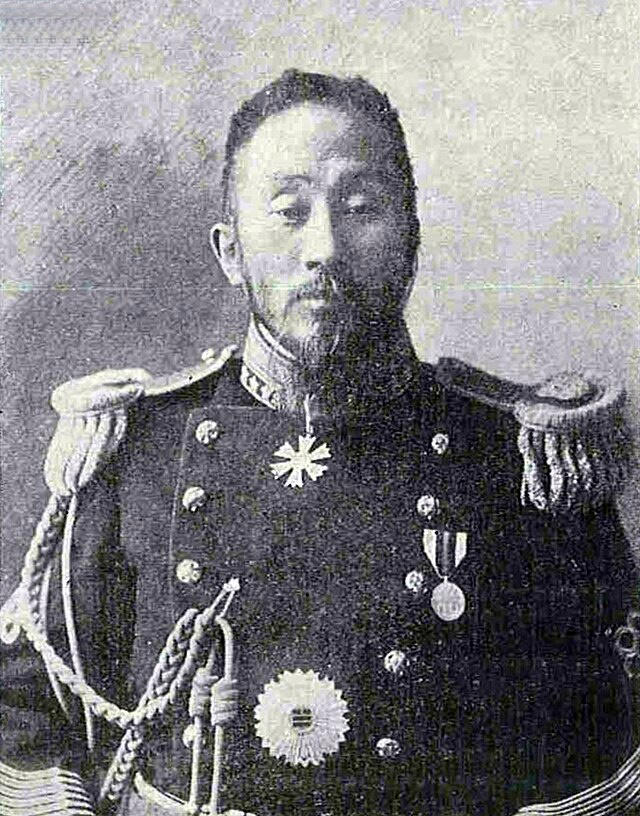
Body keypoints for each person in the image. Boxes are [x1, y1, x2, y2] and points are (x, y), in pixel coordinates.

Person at [0, 68, 638, 816]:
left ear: (411, 241)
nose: (325, 248)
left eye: (361, 208)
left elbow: (607, 744)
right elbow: (25, 716)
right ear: (230, 251)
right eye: (289, 212)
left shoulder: (520, 459)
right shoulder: (137, 452)